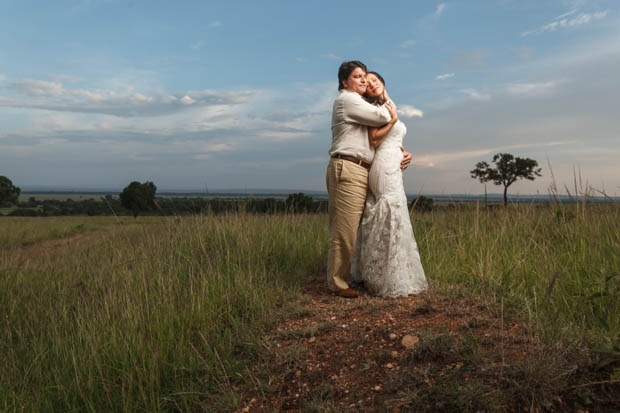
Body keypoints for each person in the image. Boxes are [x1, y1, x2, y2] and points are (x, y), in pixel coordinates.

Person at [326, 61, 411, 298]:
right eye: (358, 77)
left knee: (356, 226)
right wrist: (392, 117)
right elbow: (382, 115)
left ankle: (358, 273)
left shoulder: (359, 102)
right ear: (344, 82)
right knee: (344, 228)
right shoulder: (348, 100)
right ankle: (338, 282)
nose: (364, 80)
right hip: (349, 167)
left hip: (361, 167)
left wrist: (401, 151)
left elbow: (381, 138)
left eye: (366, 76)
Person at [351, 71, 428, 297]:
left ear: (383, 82)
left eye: (375, 80)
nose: (372, 84)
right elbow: (374, 140)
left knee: (394, 212)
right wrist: (393, 120)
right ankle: (383, 277)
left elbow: (394, 138)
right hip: (382, 164)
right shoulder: (376, 109)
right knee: (389, 211)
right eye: (368, 83)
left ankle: (385, 271)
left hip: (392, 162)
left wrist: (406, 153)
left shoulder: (388, 104)